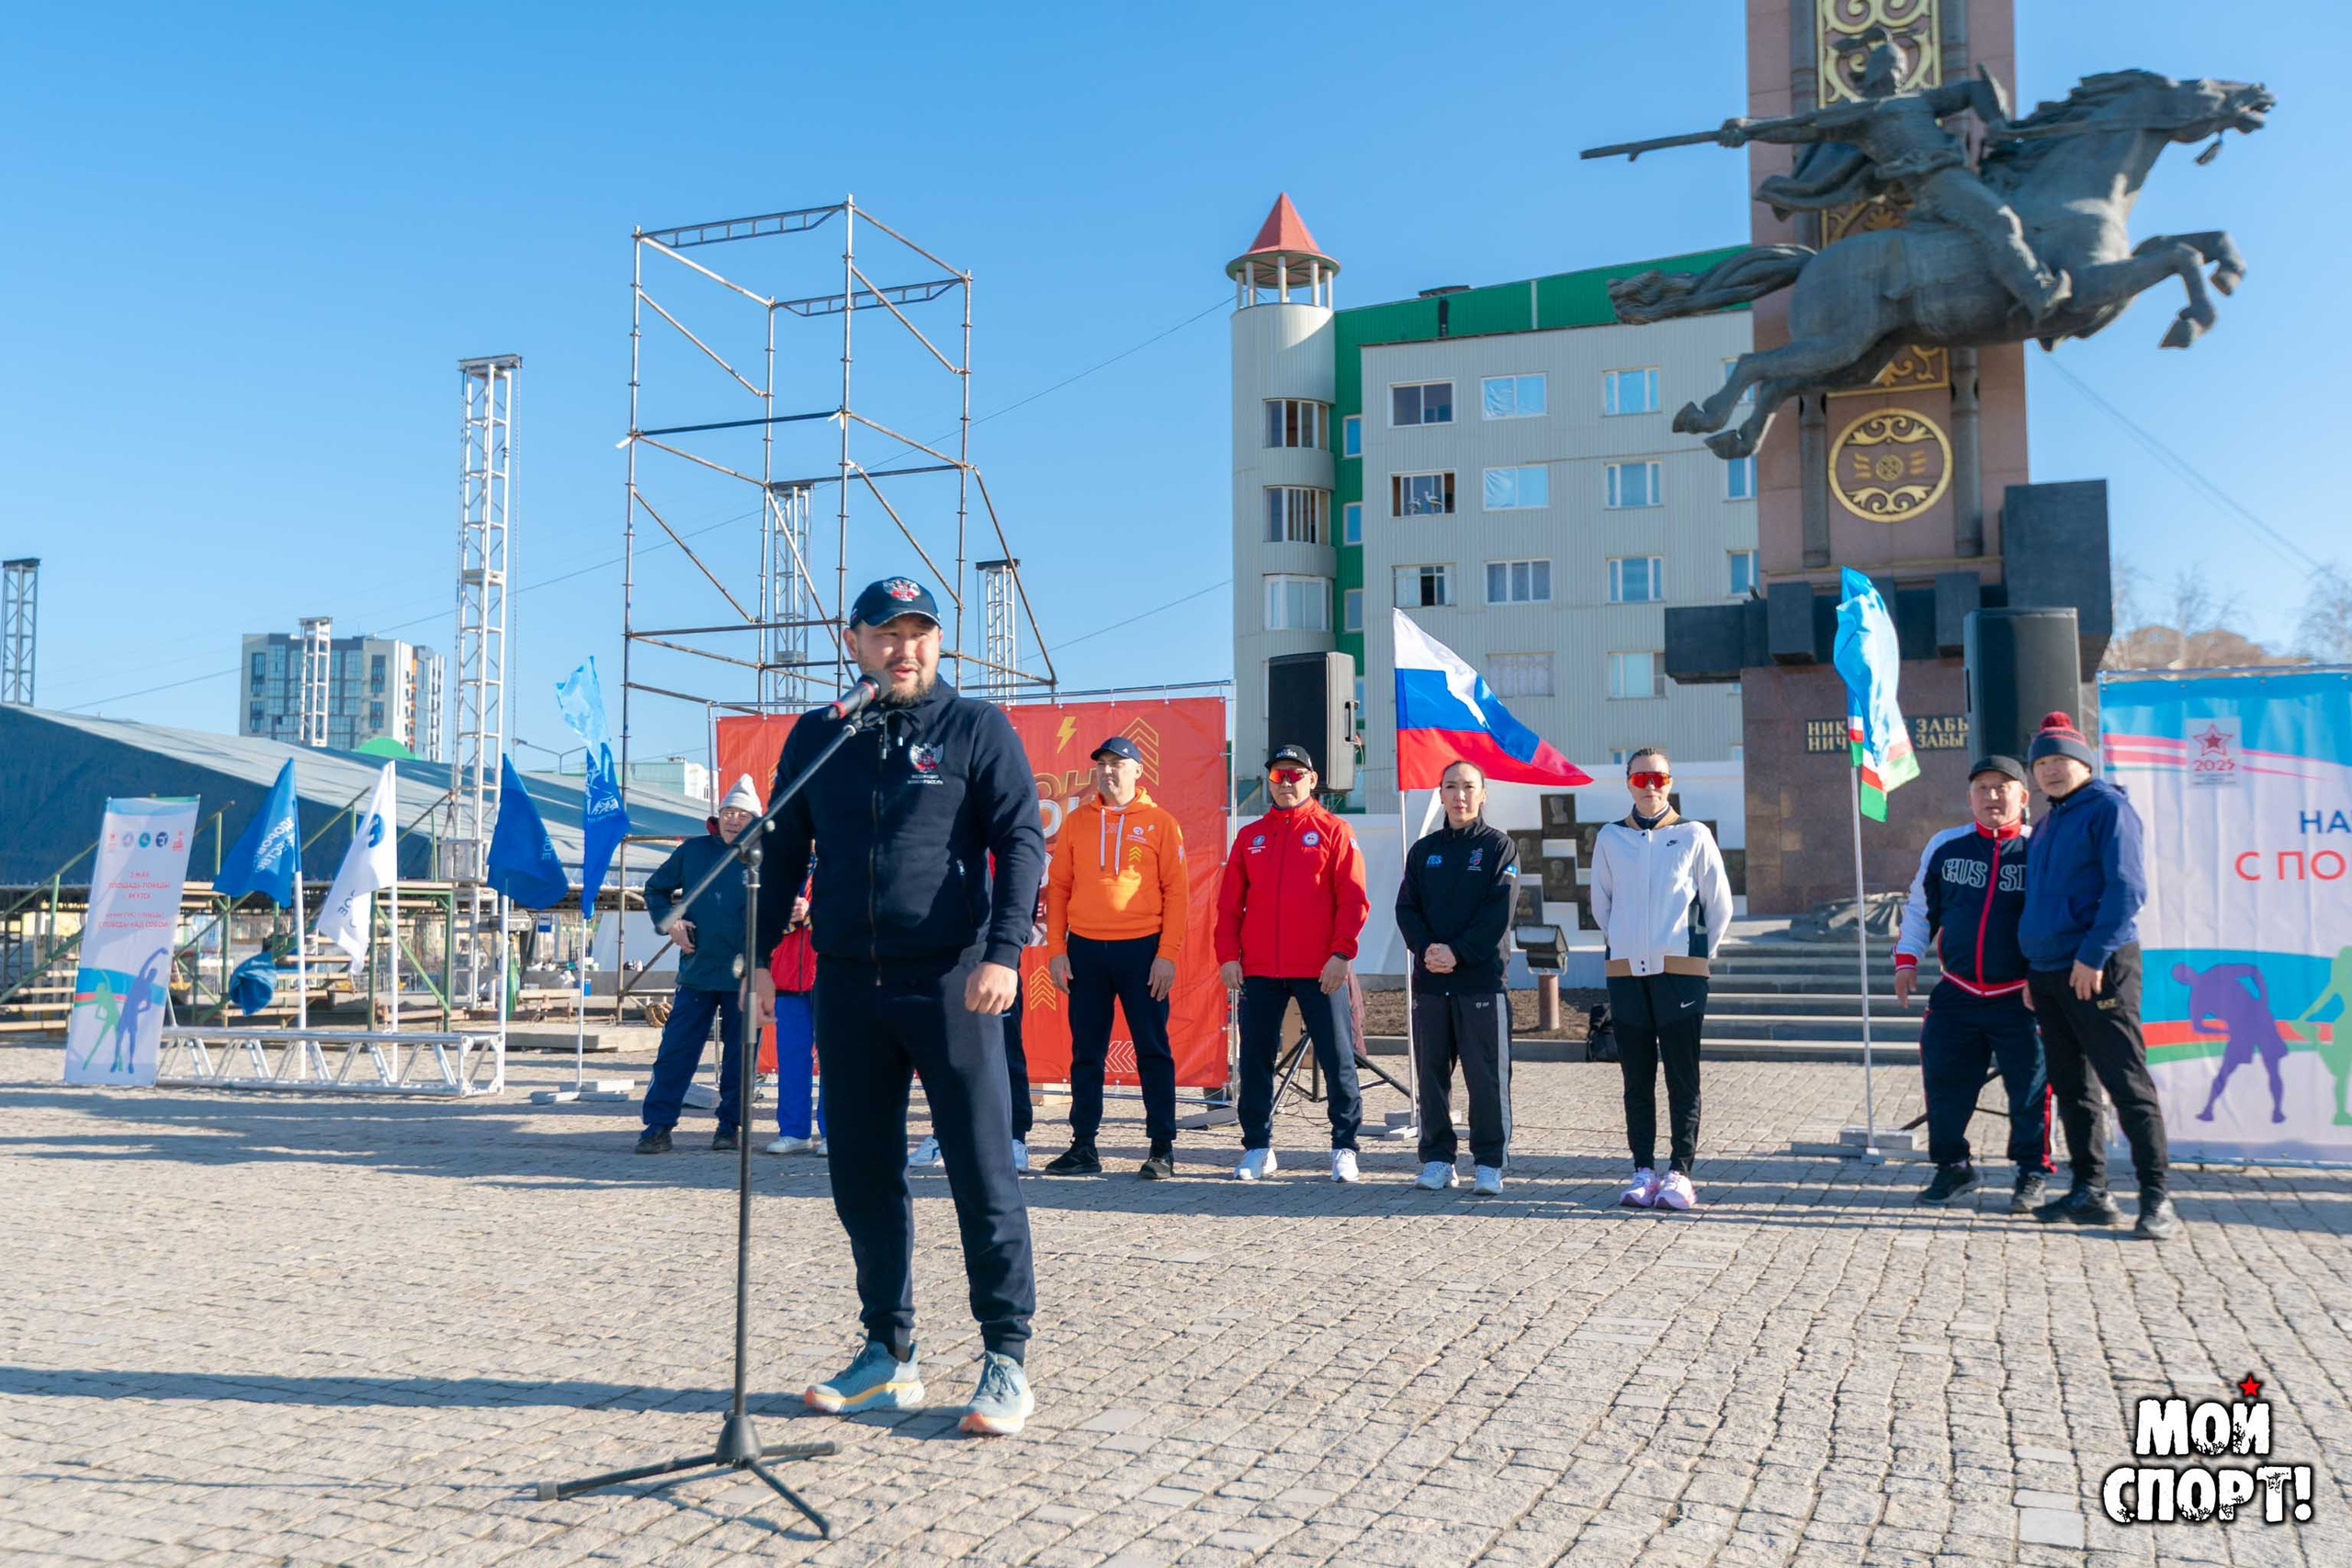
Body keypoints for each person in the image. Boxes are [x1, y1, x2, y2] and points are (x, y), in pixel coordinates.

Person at [751, 576, 1047, 1435]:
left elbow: (1020, 838)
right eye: (886, 633)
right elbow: (783, 854)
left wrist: (1003, 950)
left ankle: (1005, 1356)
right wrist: (763, 957)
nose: (904, 648)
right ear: (855, 644)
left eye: (919, 633)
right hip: (848, 981)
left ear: (940, 643)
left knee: (981, 1169)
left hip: (952, 981)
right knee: (862, 1172)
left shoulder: (975, 728)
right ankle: (889, 1351)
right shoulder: (820, 736)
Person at [2018, 711, 2178, 1241]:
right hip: (2048, 973)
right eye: (2040, 762)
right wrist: (2033, 969)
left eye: (2059, 760)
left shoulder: (2109, 809)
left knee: (2125, 1082)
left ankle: (2157, 1199)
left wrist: (2090, 957)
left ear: (2083, 763)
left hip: (2098, 967)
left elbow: (2126, 891)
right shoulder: (2045, 824)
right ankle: (2091, 1190)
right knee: (2072, 1086)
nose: (2049, 771)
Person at [1893, 755, 2054, 1211]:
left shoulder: (2041, 847)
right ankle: (1953, 1168)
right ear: (1970, 797)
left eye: (2002, 787)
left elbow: (2058, 916)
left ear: (2023, 796)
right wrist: (1907, 959)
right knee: (1944, 1084)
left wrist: (2042, 977)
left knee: (2030, 1091)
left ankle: (2030, 1172)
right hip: (1958, 992)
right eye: (1982, 788)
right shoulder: (1946, 846)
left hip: (2021, 996)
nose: (1992, 796)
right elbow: (1921, 908)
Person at [1215, 744, 1370, 1183]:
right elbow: (1229, 906)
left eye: (1294, 776)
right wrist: (1228, 956)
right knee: (1255, 1059)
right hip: (1261, 968)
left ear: (1312, 779)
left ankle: (1344, 1146)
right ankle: (1258, 1148)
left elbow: (1354, 899)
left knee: (1338, 1055)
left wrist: (1341, 954)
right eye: (1278, 776)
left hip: (1320, 967)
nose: (1286, 784)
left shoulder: (1334, 830)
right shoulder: (1250, 836)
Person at [1589, 748, 1733, 1212]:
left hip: (1680, 975)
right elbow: (1602, 903)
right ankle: (1643, 1170)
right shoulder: (1611, 838)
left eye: (1659, 777)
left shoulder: (1694, 835)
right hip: (1628, 973)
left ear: (1670, 782)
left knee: (1681, 1076)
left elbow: (1719, 903)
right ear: (1627, 782)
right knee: (1636, 1077)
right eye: (1641, 778)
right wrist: (1625, 944)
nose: (1650, 786)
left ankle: (1680, 1172)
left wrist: (1695, 956)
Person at [1043, 736, 1189, 1180]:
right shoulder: (1076, 821)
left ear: (1138, 770)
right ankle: (1083, 1146)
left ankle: (1162, 1148)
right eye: (1102, 764)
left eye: (1118, 763)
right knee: (1086, 1051)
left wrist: (1166, 955)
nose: (1108, 771)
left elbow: (1177, 893)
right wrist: (1056, 950)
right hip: (1085, 949)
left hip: (1142, 950)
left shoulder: (1161, 822)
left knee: (1152, 1050)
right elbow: (1060, 888)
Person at [1396, 761, 1519, 1196]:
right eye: (1451, 787)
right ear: (1441, 793)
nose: (1459, 795)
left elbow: (1497, 914)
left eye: (1468, 787)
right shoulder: (1423, 850)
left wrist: (1458, 953)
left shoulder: (1499, 848)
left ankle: (1488, 1162)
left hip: (1480, 983)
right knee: (1431, 1076)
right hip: (1431, 982)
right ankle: (1437, 1159)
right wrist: (1427, 949)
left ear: (1483, 794)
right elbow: (1406, 908)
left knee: (1485, 1077)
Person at [635, 776, 763, 1155]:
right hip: (697, 971)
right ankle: (657, 1127)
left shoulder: (765, 855)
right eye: (727, 812)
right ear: (717, 816)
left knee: (742, 1054)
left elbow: (794, 895)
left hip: (746, 974)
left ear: (755, 819)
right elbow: (655, 889)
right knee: (676, 1052)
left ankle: (730, 1126)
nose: (733, 820)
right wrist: (670, 924)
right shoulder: (693, 852)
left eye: (741, 814)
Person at [763, 874, 825, 1156]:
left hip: (828, 974)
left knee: (834, 1060)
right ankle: (793, 1131)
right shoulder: (781, 864)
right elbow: (758, 917)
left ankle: (834, 1131)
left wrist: (811, 912)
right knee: (790, 1058)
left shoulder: (843, 854)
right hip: (787, 976)